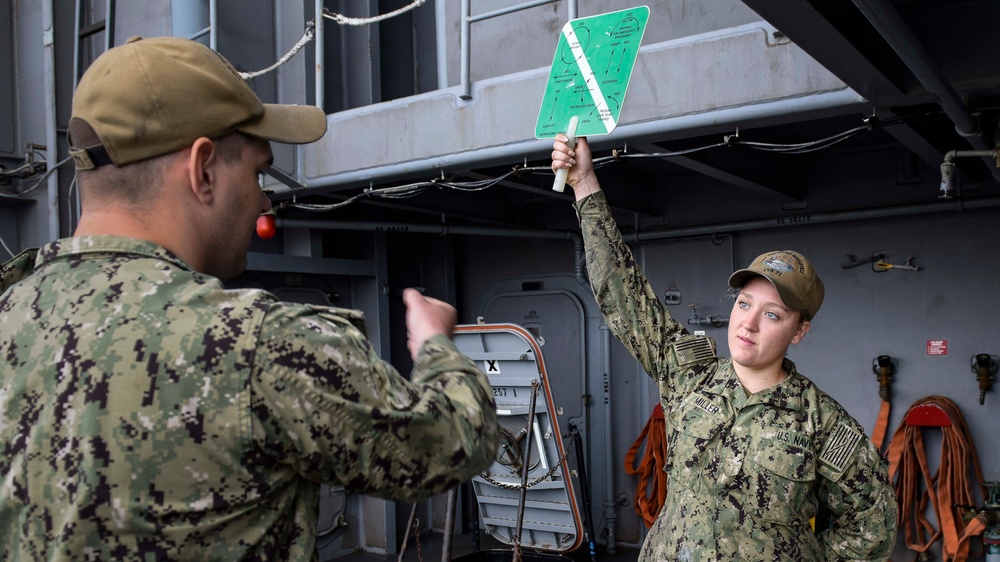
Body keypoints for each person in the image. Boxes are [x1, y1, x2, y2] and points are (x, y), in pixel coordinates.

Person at [0, 36, 498, 561]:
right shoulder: (258, 345)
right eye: (258, 172)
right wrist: (435, 345)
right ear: (203, 169)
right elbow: (454, 440)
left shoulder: (10, 314)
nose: (264, 200)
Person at [551, 135, 897, 560]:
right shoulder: (688, 374)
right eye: (744, 303)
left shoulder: (821, 423)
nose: (747, 323)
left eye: (772, 314)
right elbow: (622, 293)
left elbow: (872, 528)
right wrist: (585, 184)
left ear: (799, 331)